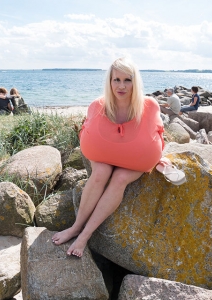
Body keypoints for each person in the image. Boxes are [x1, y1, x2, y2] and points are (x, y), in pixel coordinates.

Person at [52, 57, 164, 257]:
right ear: (109, 81)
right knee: (100, 173)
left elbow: (156, 133)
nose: (121, 86)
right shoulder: (100, 105)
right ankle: (76, 227)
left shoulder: (149, 106)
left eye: (127, 80)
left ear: (135, 82)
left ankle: (85, 236)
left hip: (132, 160)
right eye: (116, 80)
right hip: (106, 155)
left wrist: (161, 156)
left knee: (120, 178)